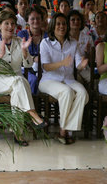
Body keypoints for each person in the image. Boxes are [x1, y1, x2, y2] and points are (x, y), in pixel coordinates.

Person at [0, 10, 47, 146]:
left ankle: (18, 133)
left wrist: (25, 53)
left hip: (15, 80)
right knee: (20, 82)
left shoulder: (20, 41)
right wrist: (0, 56)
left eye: (13, 23)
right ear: (0, 25)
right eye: (6, 23)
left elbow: (29, 64)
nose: (10, 26)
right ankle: (32, 114)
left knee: (18, 89)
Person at [39, 13, 89, 145]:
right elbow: (46, 66)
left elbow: (78, 63)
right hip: (49, 80)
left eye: (64, 24)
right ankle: (66, 132)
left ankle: (64, 129)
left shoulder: (73, 43)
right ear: (53, 26)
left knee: (83, 94)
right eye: (58, 23)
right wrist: (62, 63)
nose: (62, 26)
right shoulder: (45, 43)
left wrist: (82, 64)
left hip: (68, 79)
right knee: (67, 92)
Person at [17, 7, 48, 95]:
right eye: (32, 19)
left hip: (43, 69)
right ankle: (32, 105)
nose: (36, 21)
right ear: (27, 20)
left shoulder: (47, 36)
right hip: (25, 69)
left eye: (38, 18)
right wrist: (34, 58)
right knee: (34, 80)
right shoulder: (22, 34)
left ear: (42, 20)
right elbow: (20, 54)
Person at [68, 10, 93, 82]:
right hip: (69, 68)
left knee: (93, 80)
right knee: (78, 81)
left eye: (78, 19)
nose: (76, 22)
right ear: (68, 22)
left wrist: (87, 53)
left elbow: (92, 59)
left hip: (84, 68)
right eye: (73, 20)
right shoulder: (65, 38)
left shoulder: (88, 38)